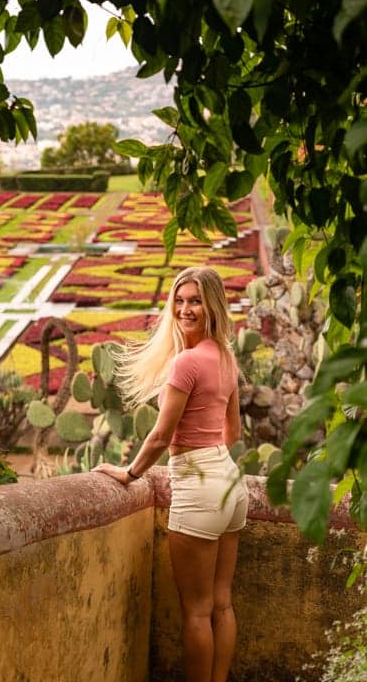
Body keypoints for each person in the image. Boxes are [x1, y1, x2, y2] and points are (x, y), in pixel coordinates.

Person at [94, 266, 248, 682]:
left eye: (195, 301)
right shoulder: (227, 357)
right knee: (221, 604)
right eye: (179, 301)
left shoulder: (187, 362)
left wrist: (129, 474)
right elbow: (233, 433)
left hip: (198, 486)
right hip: (230, 483)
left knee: (196, 611)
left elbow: (161, 435)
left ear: (213, 305)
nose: (185, 309)